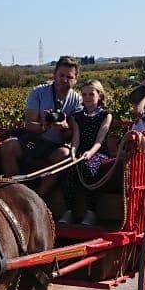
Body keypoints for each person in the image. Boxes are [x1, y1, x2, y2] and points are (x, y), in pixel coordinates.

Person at [0, 56, 82, 194]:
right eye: (61, 75)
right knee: (8, 146)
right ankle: (15, 192)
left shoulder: (77, 100)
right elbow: (29, 125)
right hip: (33, 142)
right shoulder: (39, 92)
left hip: (56, 145)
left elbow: (73, 134)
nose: (64, 80)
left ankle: (39, 196)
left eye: (69, 77)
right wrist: (44, 126)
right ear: (54, 74)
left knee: (65, 155)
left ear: (75, 79)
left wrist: (64, 127)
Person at [61, 80, 113, 226]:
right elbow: (76, 138)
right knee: (68, 169)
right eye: (84, 94)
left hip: (99, 153)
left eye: (91, 94)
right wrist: (73, 152)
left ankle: (91, 212)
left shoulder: (105, 115)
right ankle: (70, 210)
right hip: (81, 152)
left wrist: (90, 153)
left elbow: (99, 140)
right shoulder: (77, 116)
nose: (87, 97)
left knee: (88, 168)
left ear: (99, 95)